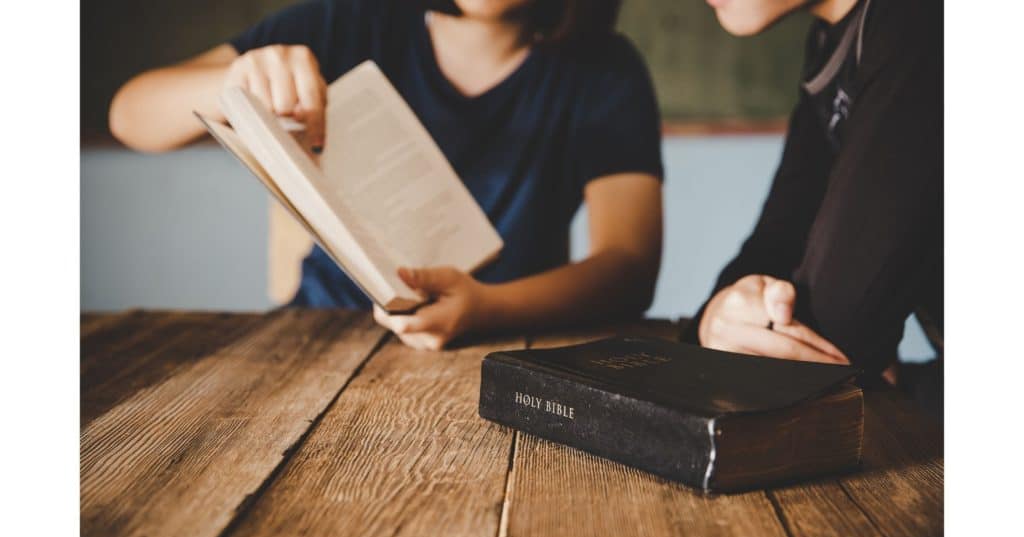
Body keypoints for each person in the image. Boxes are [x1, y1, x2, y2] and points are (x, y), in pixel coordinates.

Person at [109, 0, 664, 350]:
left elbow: (628, 269)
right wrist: (232, 83)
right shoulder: (347, 21)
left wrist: (487, 309)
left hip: (511, 346)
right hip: (322, 339)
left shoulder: (604, 71)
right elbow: (131, 115)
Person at [687, 0, 942, 381]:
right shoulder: (829, 45)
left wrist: (736, 331)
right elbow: (773, 246)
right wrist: (715, 319)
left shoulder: (919, 21)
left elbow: (840, 328)